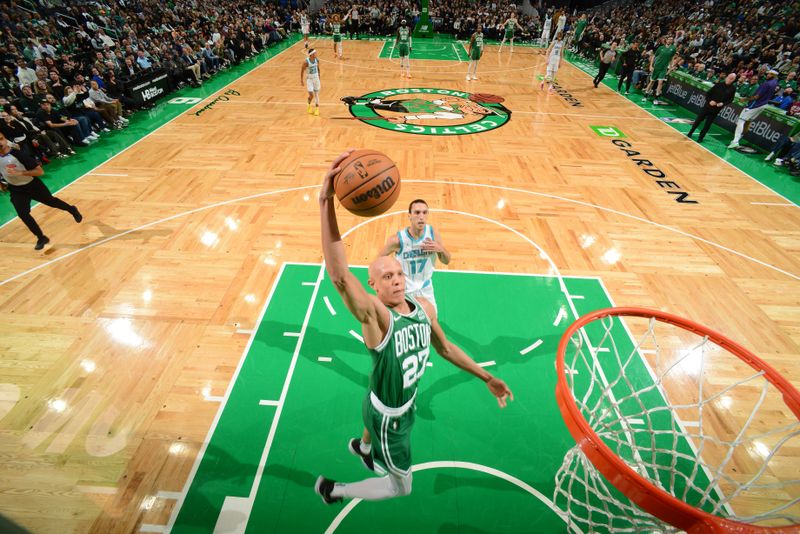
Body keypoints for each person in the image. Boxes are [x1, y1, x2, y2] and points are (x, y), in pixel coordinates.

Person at [314, 150, 513, 505]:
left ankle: (361, 446)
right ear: (373, 285)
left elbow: (446, 348)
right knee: (400, 487)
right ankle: (335, 491)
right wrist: (325, 202)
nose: (395, 280)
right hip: (390, 419)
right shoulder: (378, 318)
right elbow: (340, 277)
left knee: (376, 413)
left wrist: (486, 378)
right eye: (386, 276)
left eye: (399, 274)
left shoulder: (422, 308)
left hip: (383, 404)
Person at [0, 131, 81, 250]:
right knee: (23, 214)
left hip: (32, 185)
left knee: (51, 202)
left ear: (5, 139)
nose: (0, 142)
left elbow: (40, 172)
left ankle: (72, 209)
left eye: (1, 139)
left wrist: (20, 173)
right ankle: (41, 237)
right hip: (16, 189)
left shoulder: (18, 155)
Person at [378, 199, 450, 311]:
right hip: (403, 291)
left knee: (431, 323)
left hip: (426, 289)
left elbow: (447, 261)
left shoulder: (433, 235)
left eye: (425, 212)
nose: (421, 217)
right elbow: (378, 261)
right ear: (409, 216)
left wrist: (440, 249)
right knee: (405, 326)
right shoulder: (397, 240)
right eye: (417, 212)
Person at [728, 70, 779, 149]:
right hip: (763, 105)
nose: (768, 75)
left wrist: (745, 99)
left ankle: (735, 141)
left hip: (755, 104)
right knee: (748, 122)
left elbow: (756, 97)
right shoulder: (775, 83)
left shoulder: (766, 84)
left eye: (770, 74)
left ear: (774, 75)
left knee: (741, 121)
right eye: (768, 73)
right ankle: (738, 138)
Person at [687, 73, 737, 143]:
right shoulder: (718, 85)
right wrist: (710, 101)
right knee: (698, 120)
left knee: (708, 124)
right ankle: (690, 132)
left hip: (716, 109)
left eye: (732, 79)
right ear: (727, 77)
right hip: (707, 106)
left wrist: (723, 103)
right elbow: (708, 94)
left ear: (734, 80)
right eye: (729, 77)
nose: (729, 79)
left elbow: (730, 99)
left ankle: (701, 137)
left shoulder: (733, 89)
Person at [642, 36, 677, 105]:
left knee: (660, 83)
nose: (670, 40)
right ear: (666, 40)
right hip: (656, 67)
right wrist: (651, 65)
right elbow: (654, 56)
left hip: (663, 69)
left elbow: (672, 59)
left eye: (671, 39)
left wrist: (670, 68)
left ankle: (656, 98)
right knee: (652, 82)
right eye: (669, 39)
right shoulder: (661, 48)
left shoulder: (673, 48)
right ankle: (646, 95)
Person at [301, 48, 321, 116]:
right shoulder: (306, 62)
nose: (316, 54)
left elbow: (318, 69)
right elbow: (302, 70)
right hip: (309, 79)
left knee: (316, 95)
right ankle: (308, 105)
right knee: (311, 95)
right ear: (311, 54)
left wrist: (319, 77)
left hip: (316, 78)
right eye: (315, 53)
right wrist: (301, 80)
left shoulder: (317, 60)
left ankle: (317, 109)